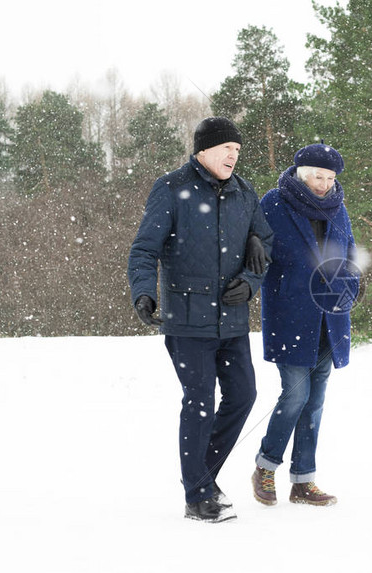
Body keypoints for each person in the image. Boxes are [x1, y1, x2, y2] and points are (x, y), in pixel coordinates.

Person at [127, 117, 274, 523]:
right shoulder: (172, 188)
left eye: (238, 150)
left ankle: (201, 477)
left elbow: (266, 243)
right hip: (187, 319)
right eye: (226, 147)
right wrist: (144, 292)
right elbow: (143, 250)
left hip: (232, 319)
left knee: (243, 396)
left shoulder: (245, 193)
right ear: (202, 150)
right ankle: (197, 495)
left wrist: (250, 282)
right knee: (199, 402)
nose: (233, 155)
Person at [251, 142, 360, 507]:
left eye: (330, 177)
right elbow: (257, 255)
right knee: (295, 394)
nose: (324, 183)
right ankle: (266, 467)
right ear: (300, 172)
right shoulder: (273, 203)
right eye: (317, 175)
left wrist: (350, 288)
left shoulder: (338, 208)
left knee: (315, 401)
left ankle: (303, 481)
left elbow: (350, 254)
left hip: (331, 318)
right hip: (291, 314)